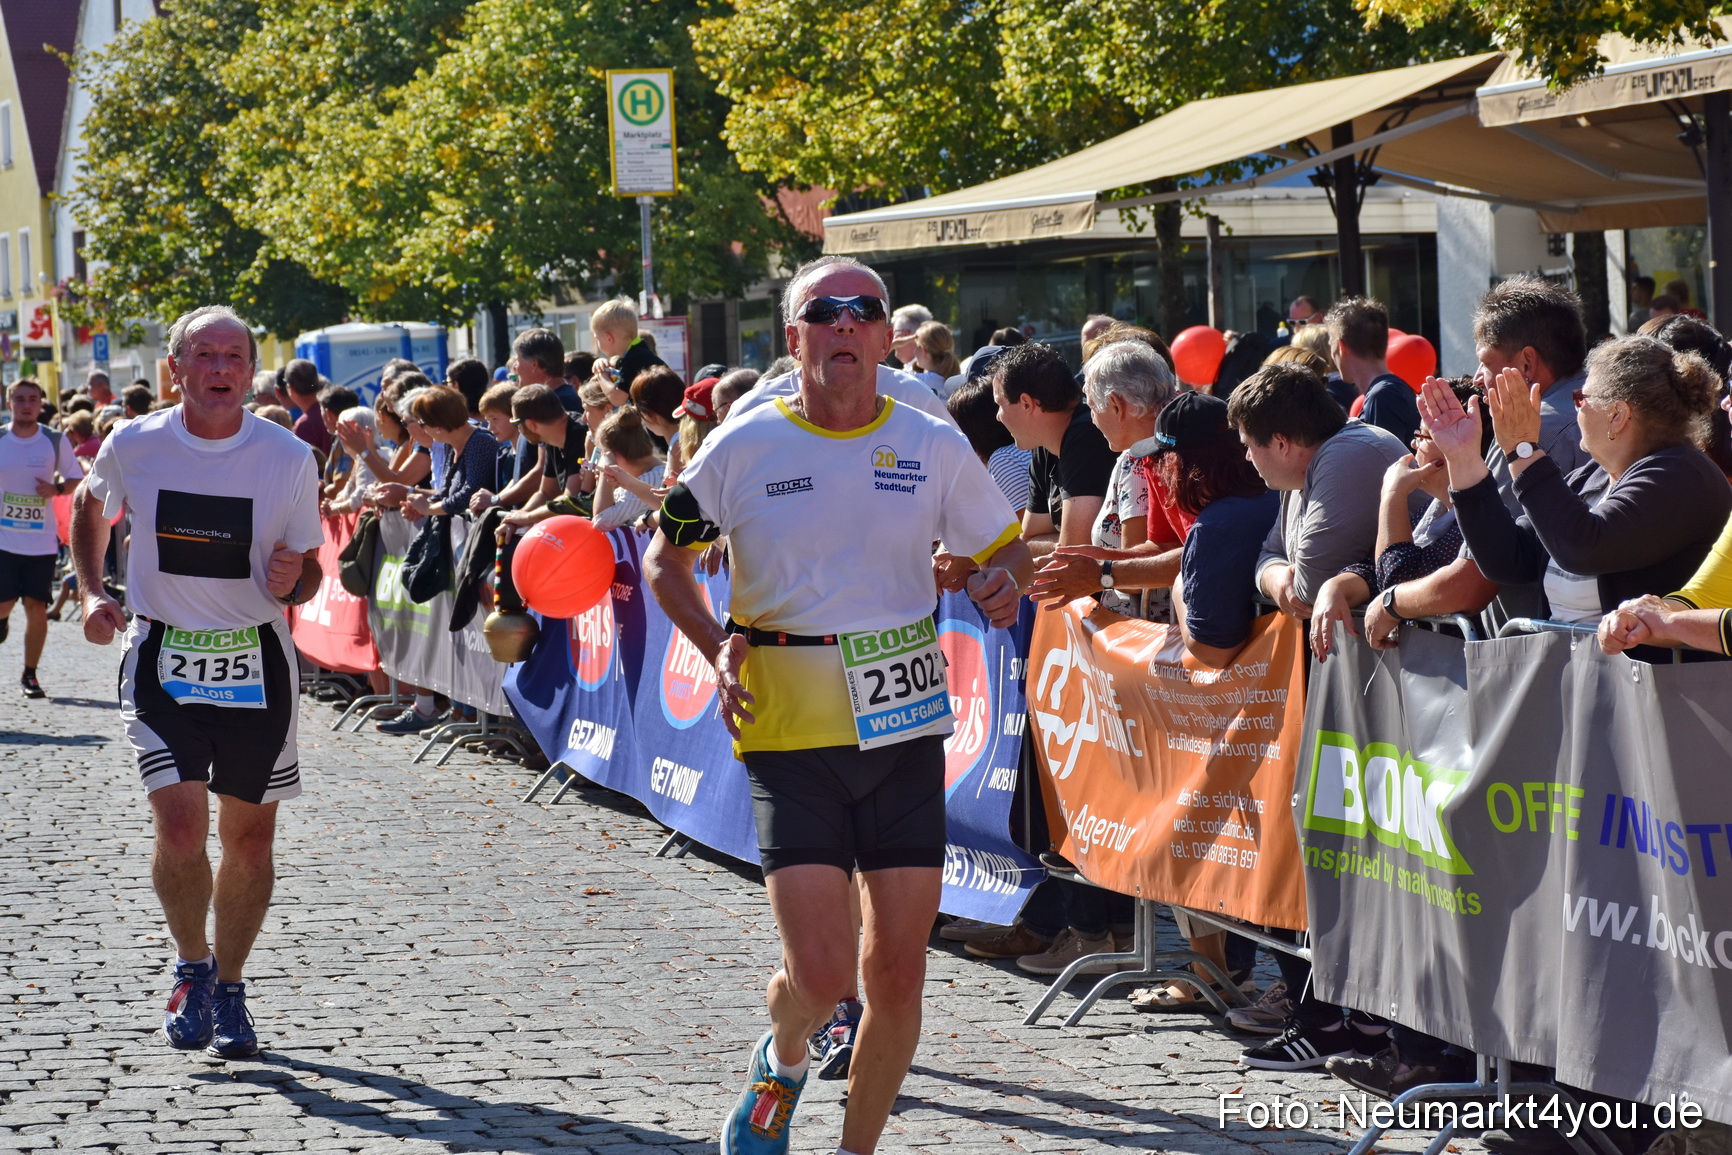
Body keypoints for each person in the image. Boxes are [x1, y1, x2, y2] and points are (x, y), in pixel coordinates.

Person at [643, 255, 1029, 1155]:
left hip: (904, 727)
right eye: (826, 311)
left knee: (896, 973)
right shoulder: (746, 444)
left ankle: (855, 1149)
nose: (847, 324)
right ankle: (781, 1058)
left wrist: (999, 585)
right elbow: (665, 559)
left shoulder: (930, 441)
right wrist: (714, 643)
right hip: (789, 726)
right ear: (796, 338)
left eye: (866, 311)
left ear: (888, 335)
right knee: (821, 976)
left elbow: (1005, 552)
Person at [71, 305, 322, 1059]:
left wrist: (296, 575)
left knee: (248, 836)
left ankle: (232, 985)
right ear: (176, 368)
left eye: (234, 357)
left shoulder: (286, 456)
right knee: (179, 824)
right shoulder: (136, 443)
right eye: (204, 355)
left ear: (251, 369)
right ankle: (192, 964)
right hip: (162, 656)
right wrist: (91, 587)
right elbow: (91, 502)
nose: (220, 370)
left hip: (256, 660)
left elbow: (307, 570)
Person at [1227, 361, 1413, 1071]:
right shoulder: (1306, 471)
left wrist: (1283, 581)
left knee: (1351, 851)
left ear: (1283, 440)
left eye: (1249, 445)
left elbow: (1300, 582)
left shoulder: (1346, 457)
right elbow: (1274, 560)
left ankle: (1351, 1025)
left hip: (1376, 694)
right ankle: (1338, 1019)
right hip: (1351, 689)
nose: (1247, 460)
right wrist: (1282, 579)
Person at [1424, 336, 1731, 639]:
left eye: (1580, 399)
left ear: (1617, 415)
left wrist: (1522, 449)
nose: (1577, 410)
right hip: (1585, 680)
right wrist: (1462, 457)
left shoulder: (1681, 473)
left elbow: (1584, 548)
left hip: (1655, 684)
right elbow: (1508, 560)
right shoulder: (1593, 476)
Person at [1309, 378, 1499, 664]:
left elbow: (1396, 580)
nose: (1413, 444)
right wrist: (1336, 587)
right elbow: (1377, 569)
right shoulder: (1432, 509)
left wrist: (1393, 496)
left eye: (1422, 437)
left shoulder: (1474, 519)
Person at [1461, 275, 1593, 629]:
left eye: (1486, 363)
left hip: (1535, 654)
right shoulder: (1598, 410)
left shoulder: (1534, 431)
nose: (1476, 378)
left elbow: (1477, 577)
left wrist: (1392, 604)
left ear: (1525, 365)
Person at [1023, 341, 1179, 616]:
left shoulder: (1140, 459)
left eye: (1093, 407)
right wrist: (1086, 561)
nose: (1092, 419)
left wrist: (1097, 572)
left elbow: (1140, 575)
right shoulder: (1182, 433)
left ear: (1117, 406)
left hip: (1156, 638)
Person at [992, 342, 1116, 560]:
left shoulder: (1086, 433)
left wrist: (1061, 542)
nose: (998, 416)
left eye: (1000, 404)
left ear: (1026, 404)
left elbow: (1077, 551)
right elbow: (1028, 539)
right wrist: (1063, 543)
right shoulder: (1044, 445)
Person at [0, 378, 83, 697]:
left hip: (41, 542)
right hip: (4, 541)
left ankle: (30, 675)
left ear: (40, 404)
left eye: (32, 398)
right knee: (4, 604)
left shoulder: (53, 439)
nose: (26, 404)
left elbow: (77, 477)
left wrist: (57, 489)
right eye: (19, 399)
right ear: (10, 404)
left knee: (36, 607)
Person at [1326, 297, 1418, 447]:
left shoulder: (1383, 395)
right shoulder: (1387, 391)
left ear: (1341, 347)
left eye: (1331, 343)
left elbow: (1383, 464)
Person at [592, 408, 667, 531]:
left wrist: (605, 472)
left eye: (604, 453)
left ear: (615, 455)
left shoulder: (650, 479)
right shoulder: (651, 471)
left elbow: (601, 522)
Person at [590, 300, 665, 407]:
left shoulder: (633, 359)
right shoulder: (639, 352)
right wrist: (603, 366)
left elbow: (617, 398)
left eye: (597, 338)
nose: (597, 343)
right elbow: (621, 378)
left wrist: (601, 374)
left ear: (608, 338)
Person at [910, 321, 959, 394]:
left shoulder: (915, 380)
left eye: (916, 346)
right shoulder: (959, 382)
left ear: (924, 351)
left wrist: (893, 345)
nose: (914, 351)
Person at [889, 303, 932, 371]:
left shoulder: (914, 373)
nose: (892, 338)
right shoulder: (934, 367)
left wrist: (889, 347)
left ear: (906, 335)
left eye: (895, 332)